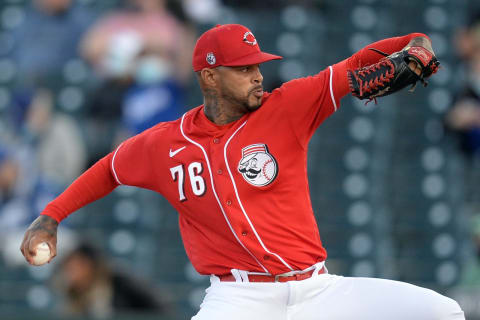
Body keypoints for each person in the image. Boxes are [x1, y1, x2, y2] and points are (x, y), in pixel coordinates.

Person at [20, 24, 465, 319]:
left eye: (258, 66)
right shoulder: (162, 143)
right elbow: (108, 171)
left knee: (445, 313)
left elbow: (367, 58)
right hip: (240, 299)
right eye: (244, 68)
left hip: (319, 291)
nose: (257, 76)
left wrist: (419, 43)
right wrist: (51, 216)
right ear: (209, 78)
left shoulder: (288, 106)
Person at [50, 242, 172, 318]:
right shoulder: (73, 295)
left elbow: (161, 308)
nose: (71, 273)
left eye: (76, 267)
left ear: (90, 265)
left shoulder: (120, 281)